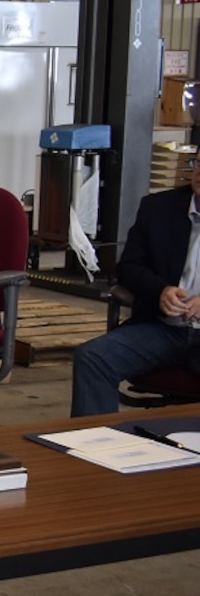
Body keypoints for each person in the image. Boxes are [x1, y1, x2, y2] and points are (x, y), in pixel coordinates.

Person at [72, 159, 200, 416]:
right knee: (94, 358)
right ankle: (93, 448)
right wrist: (160, 291)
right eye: (199, 162)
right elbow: (129, 267)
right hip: (163, 328)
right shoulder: (159, 208)